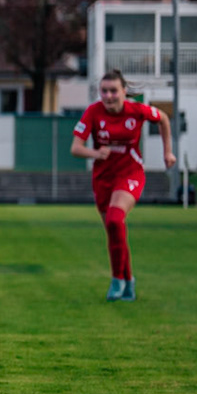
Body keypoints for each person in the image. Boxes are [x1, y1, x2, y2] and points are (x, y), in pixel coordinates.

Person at [71, 69, 175, 301]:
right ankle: (128, 282)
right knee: (114, 230)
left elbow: (164, 119)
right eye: (104, 91)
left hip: (131, 173)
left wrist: (167, 152)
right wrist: (96, 153)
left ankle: (116, 279)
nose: (108, 96)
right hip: (103, 178)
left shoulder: (136, 110)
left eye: (113, 91)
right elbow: (75, 148)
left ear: (124, 92)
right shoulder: (93, 112)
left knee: (115, 219)